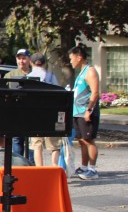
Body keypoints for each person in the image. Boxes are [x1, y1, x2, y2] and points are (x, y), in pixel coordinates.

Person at [69, 45, 101, 180]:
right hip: (77, 112)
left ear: (79, 57)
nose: (70, 61)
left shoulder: (90, 71)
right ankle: (83, 167)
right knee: (82, 140)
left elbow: (95, 92)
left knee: (89, 140)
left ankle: (92, 170)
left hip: (86, 112)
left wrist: (89, 110)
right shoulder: (81, 72)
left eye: (72, 58)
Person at [26, 53, 62, 167]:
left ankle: (39, 168)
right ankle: (54, 167)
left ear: (31, 63)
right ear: (45, 63)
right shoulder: (51, 76)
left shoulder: (28, 77)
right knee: (54, 145)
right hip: (51, 114)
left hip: (34, 115)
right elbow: (59, 94)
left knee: (37, 145)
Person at [4, 49, 33, 157]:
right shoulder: (10, 75)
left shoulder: (34, 73)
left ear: (29, 59)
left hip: (31, 112)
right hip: (16, 112)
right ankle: (18, 162)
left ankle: (31, 163)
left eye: (24, 58)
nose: (21, 61)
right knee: (17, 140)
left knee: (32, 141)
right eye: (19, 58)